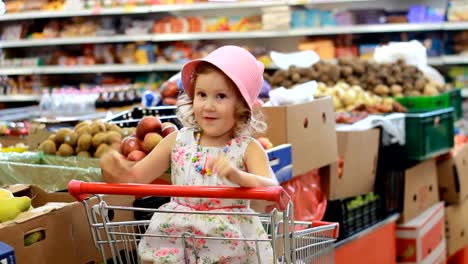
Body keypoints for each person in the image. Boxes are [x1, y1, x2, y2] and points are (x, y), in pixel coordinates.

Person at [100, 45, 278, 263]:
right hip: (176, 239)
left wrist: (238, 177)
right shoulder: (177, 140)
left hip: (228, 246)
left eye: (220, 96)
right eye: (202, 95)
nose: (208, 106)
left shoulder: (248, 148)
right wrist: (115, 171)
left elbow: (271, 190)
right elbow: (135, 178)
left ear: (242, 106)